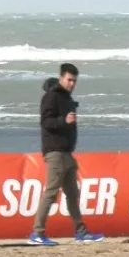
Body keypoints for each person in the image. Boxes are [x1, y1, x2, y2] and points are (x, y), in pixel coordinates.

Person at [29, 63, 103, 246]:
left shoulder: (67, 98)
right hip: (55, 152)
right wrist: (64, 120)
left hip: (67, 153)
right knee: (51, 193)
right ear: (61, 77)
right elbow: (45, 122)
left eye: (74, 81)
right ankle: (37, 233)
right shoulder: (51, 96)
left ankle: (81, 231)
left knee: (72, 193)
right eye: (69, 80)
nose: (72, 84)